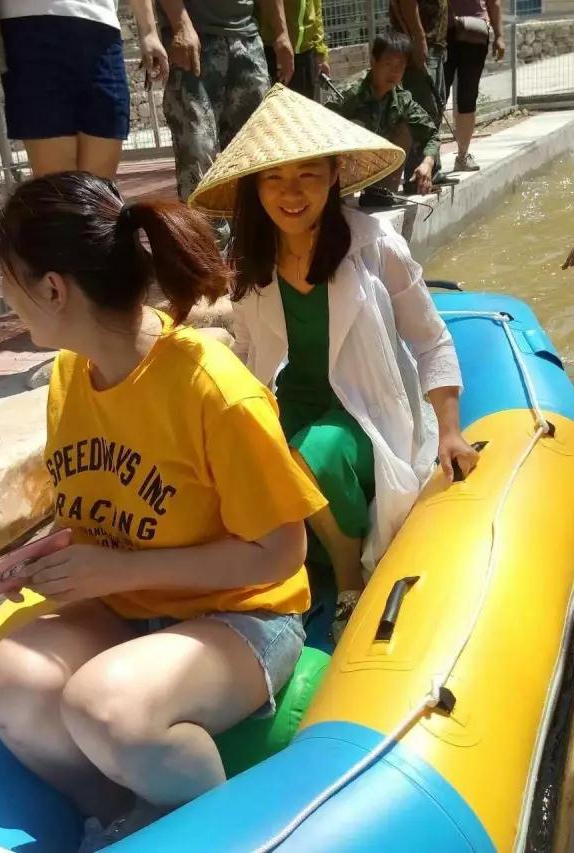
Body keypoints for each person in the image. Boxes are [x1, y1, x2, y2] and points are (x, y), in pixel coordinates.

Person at [0, 172, 326, 852]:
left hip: (243, 618)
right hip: (131, 608)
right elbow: (103, 506)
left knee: (107, 708)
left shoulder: (213, 391)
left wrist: (115, 572)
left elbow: (282, 553)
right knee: (15, 680)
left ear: (53, 289)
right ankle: (118, 821)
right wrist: (38, 560)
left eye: (7, 279)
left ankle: (217, 833)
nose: (3, 297)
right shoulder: (70, 375)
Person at [190, 85, 478, 623]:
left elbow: (430, 338)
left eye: (308, 175)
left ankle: (349, 575)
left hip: (364, 409)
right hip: (289, 403)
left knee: (309, 454)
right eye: (274, 178)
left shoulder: (376, 246)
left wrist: (449, 431)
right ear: (255, 186)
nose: (290, 193)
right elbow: (249, 352)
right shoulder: (250, 259)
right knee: (240, 468)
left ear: (334, 175)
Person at [0, 1, 168, 179]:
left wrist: (149, 31)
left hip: (103, 28)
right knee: (58, 185)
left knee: (99, 186)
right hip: (29, 28)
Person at [151, 0, 294, 203]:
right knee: (198, 154)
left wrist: (281, 33)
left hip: (247, 38)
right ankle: (202, 224)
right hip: (194, 40)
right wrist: (181, 24)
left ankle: (251, 223)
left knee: (256, 152)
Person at [330, 31, 440, 195]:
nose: (394, 72)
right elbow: (320, 132)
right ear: (373, 62)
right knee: (354, 126)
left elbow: (432, 134)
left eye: (400, 66)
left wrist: (427, 163)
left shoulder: (402, 100)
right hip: (341, 172)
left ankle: (381, 191)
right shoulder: (349, 94)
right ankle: (341, 192)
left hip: (378, 169)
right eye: (388, 64)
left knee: (406, 127)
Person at [390, 0, 448, 181]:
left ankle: (432, 170)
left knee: (435, 109)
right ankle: (417, 176)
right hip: (421, 43)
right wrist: (419, 37)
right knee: (423, 111)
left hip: (434, 44)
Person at [445, 0, 505, 171]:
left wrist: (499, 36)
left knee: (467, 97)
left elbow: (494, 3)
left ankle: (462, 156)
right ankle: (431, 161)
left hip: (474, 33)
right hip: (444, 31)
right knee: (438, 97)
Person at [259, 0, 330, 100]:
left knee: (304, 107)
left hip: (306, 53)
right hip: (275, 53)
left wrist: (320, 53)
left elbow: (316, 10)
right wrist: (281, 41)